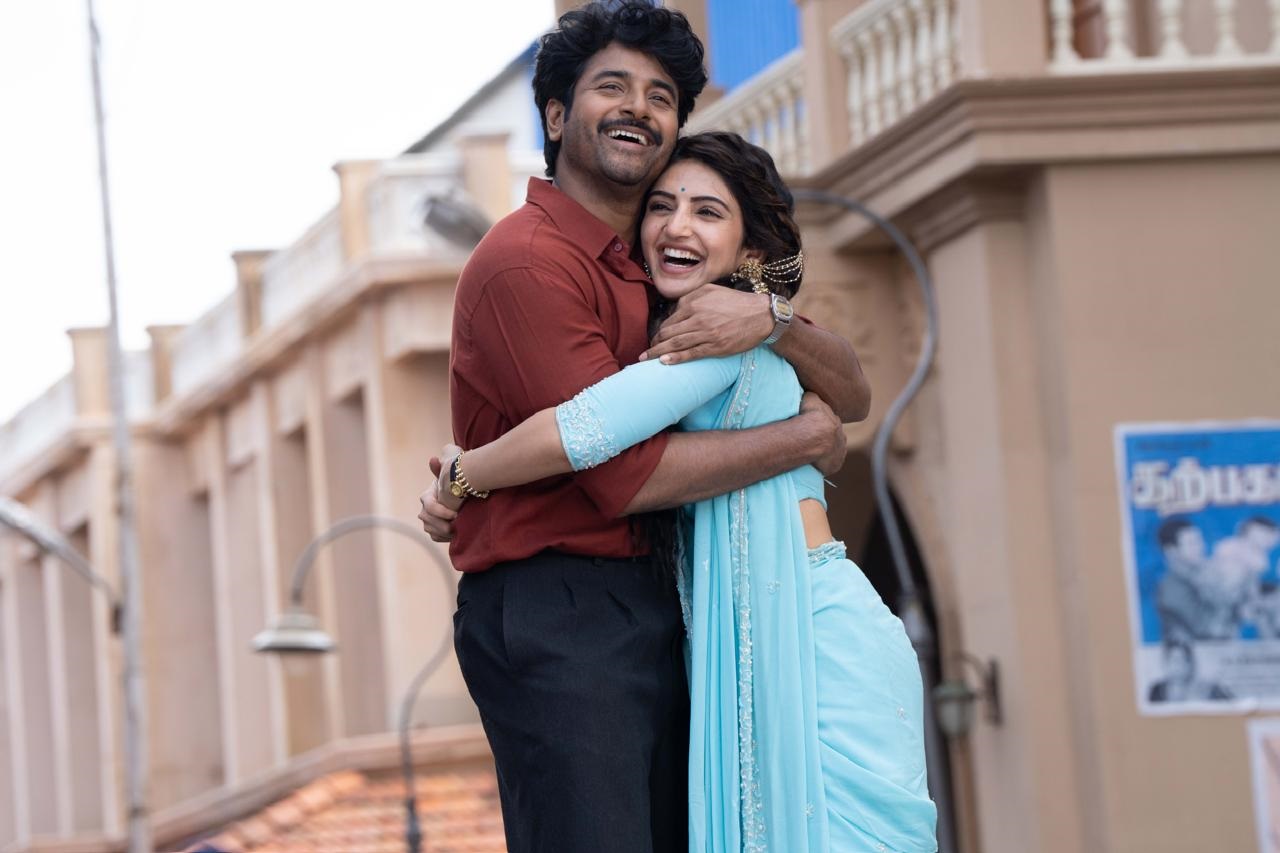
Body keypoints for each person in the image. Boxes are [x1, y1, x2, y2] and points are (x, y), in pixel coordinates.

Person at [418, 5, 869, 852]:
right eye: (613, 87)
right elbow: (621, 473)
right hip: (561, 611)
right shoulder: (528, 261)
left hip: (668, 601)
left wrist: (772, 319)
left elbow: (851, 389)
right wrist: (804, 440)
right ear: (557, 115)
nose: (639, 107)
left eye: (661, 97)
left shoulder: (664, 266)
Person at [1154, 517, 1221, 642]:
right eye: (1192, 543)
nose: (1201, 547)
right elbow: (1210, 630)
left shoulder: (1198, 578)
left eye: (1200, 541)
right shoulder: (1171, 588)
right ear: (1171, 551)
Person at [1146, 640, 1233, 703]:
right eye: (1175, 660)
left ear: (1190, 664)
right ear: (1166, 662)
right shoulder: (1156, 690)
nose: (1179, 666)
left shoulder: (1208, 689)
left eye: (1185, 660)